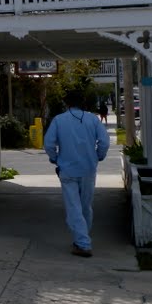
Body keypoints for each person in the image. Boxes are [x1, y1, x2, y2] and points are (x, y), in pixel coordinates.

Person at [43, 89, 109, 257]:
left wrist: (55, 158)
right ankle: (82, 239)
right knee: (85, 206)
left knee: (74, 207)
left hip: (67, 169)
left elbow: (49, 144)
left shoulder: (59, 120)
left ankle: (83, 243)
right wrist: (98, 156)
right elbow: (104, 142)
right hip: (88, 169)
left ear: (67, 103)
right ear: (83, 102)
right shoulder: (93, 119)